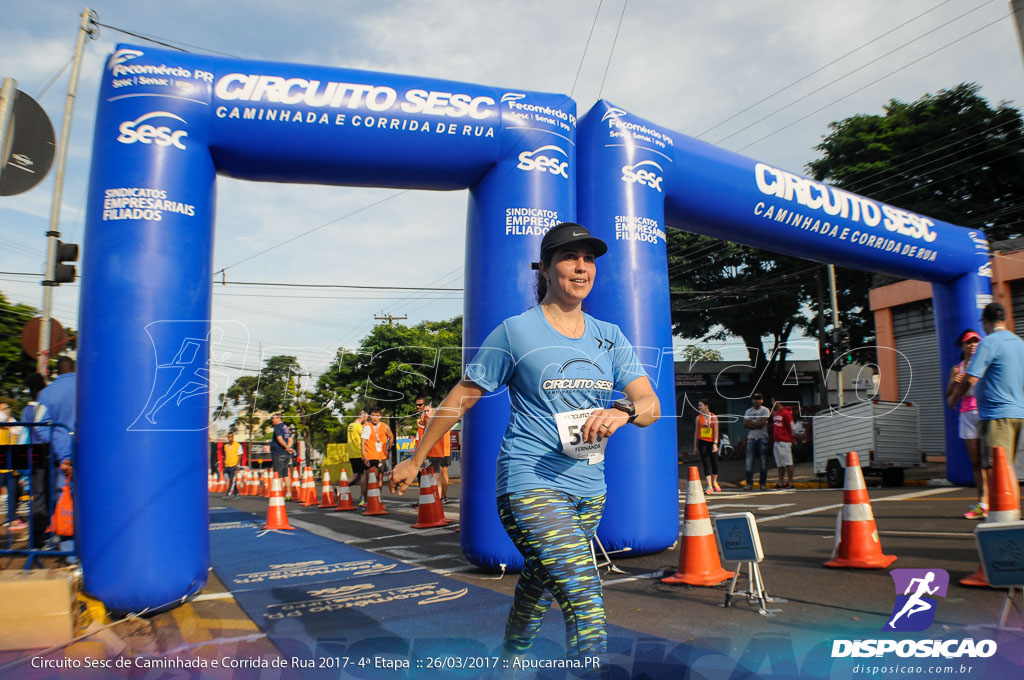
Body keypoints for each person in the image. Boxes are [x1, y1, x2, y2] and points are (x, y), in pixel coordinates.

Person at [389, 222, 660, 661]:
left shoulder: (610, 336)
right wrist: (416, 457)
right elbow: (462, 396)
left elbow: (650, 404)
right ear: (546, 269)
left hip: (590, 490)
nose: (581, 267)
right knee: (584, 593)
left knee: (537, 588)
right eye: (570, 258)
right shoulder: (516, 331)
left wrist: (623, 411)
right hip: (530, 481)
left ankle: (509, 665)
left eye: (589, 259)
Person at [949, 302, 1024, 512]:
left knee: (998, 468)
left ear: (985, 322)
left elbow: (971, 378)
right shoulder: (1019, 342)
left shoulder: (989, 342)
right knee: (1006, 466)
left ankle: (1006, 515)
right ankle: (1011, 511)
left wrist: (954, 397)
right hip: (1018, 412)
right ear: (1005, 319)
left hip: (997, 413)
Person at [34, 356, 77, 551]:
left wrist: (62, 453)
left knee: (65, 500)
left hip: (64, 458)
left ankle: (69, 552)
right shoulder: (91, 387)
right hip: (93, 454)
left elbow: (39, 426)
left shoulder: (47, 393)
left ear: (57, 371)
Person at [946, 329, 986, 519]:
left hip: (985, 413)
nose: (972, 345)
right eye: (968, 342)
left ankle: (999, 502)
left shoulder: (986, 363)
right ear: (962, 346)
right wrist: (954, 383)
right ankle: (983, 503)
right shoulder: (957, 369)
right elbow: (948, 399)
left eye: (975, 341)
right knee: (977, 462)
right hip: (967, 415)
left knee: (992, 462)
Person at [421, 402, 452, 502]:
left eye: (427, 410)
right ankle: (442, 496)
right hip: (440, 450)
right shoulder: (440, 418)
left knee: (440, 474)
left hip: (440, 451)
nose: (425, 413)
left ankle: (441, 497)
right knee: (440, 474)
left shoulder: (437, 419)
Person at [360, 407, 393, 502]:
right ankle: (365, 499)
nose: (375, 418)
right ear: (370, 416)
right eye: (373, 415)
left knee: (380, 478)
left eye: (377, 415)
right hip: (370, 457)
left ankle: (377, 498)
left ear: (380, 416)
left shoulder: (385, 426)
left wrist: (388, 450)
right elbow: (362, 443)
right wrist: (364, 456)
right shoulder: (367, 427)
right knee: (370, 478)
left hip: (381, 457)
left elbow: (391, 437)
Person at [743, 393, 770, 491]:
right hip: (751, 439)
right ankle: (749, 483)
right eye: (755, 399)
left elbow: (762, 423)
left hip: (763, 438)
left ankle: (762, 484)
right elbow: (745, 425)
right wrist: (757, 424)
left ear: (762, 400)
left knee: (763, 463)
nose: (756, 401)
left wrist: (752, 423)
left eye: (758, 399)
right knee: (749, 462)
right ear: (752, 400)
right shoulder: (748, 411)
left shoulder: (765, 410)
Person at [693, 399, 719, 493]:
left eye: (701, 405)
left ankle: (715, 481)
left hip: (712, 443)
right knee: (706, 463)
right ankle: (709, 485)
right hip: (702, 442)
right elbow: (696, 432)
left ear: (706, 406)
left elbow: (716, 432)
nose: (699, 407)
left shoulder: (714, 417)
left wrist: (715, 444)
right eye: (698, 406)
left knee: (715, 464)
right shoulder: (698, 418)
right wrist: (695, 447)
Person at [771, 397, 795, 489]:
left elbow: (792, 427)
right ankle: (780, 482)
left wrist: (791, 437)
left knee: (788, 462)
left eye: (773, 401)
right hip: (777, 441)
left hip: (784, 441)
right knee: (780, 463)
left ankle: (790, 483)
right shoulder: (776, 413)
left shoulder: (786, 413)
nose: (772, 403)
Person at [347, 411, 368, 506]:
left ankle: (342, 488)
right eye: (366, 418)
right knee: (363, 474)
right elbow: (365, 437)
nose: (366, 420)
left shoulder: (350, 425)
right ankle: (363, 496)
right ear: (363, 417)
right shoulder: (359, 427)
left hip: (351, 453)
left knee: (356, 474)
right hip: (359, 453)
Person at [269, 413, 294, 483]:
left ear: (278, 418)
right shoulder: (285, 427)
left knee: (278, 474)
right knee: (285, 474)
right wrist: (288, 448)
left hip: (278, 453)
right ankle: (288, 492)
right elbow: (290, 439)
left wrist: (286, 447)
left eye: (273, 418)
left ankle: (279, 492)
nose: (272, 420)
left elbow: (280, 439)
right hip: (286, 454)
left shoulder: (277, 427)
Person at [221, 432, 244, 499]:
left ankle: (228, 494)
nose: (229, 438)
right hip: (227, 465)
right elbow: (225, 455)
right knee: (232, 480)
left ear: (233, 437)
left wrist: (237, 464)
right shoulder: (226, 446)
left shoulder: (237, 445)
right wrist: (224, 464)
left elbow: (240, 455)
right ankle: (236, 494)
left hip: (234, 466)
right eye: (228, 437)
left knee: (231, 480)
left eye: (230, 437)